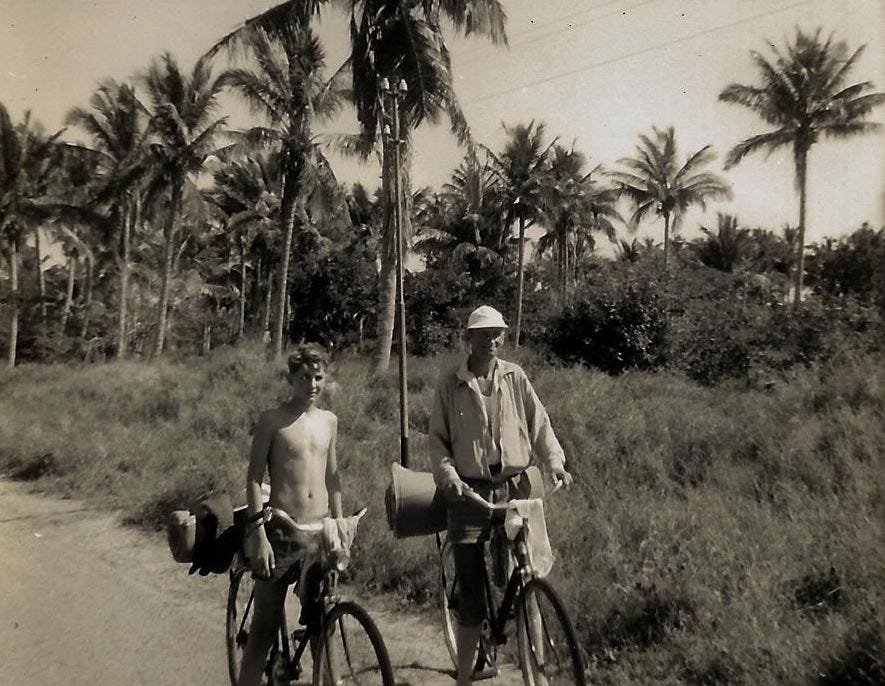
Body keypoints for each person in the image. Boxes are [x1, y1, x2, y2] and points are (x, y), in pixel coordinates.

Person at [429, 304, 573, 686]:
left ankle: (536, 671)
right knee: (472, 588)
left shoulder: (515, 376)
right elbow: (438, 443)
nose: (491, 341)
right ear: (468, 339)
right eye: (483, 334)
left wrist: (555, 462)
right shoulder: (451, 384)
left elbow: (540, 424)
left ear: (504, 337)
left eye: (497, 334)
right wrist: (448, 478)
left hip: (516, 486)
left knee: (527, 575)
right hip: (469, 491)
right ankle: (464, 673)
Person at [238, 343, 342, 686]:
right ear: (291, 378)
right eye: (305, 377)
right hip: (281, 530)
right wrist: (258, 535)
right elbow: (254, 478)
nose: (312, 385)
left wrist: (339, 527)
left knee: (322, 624)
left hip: (319, 530)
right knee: (265, 627)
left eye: (319, 378)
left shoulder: (329, 421)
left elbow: (332, 477)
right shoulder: (272, 420)